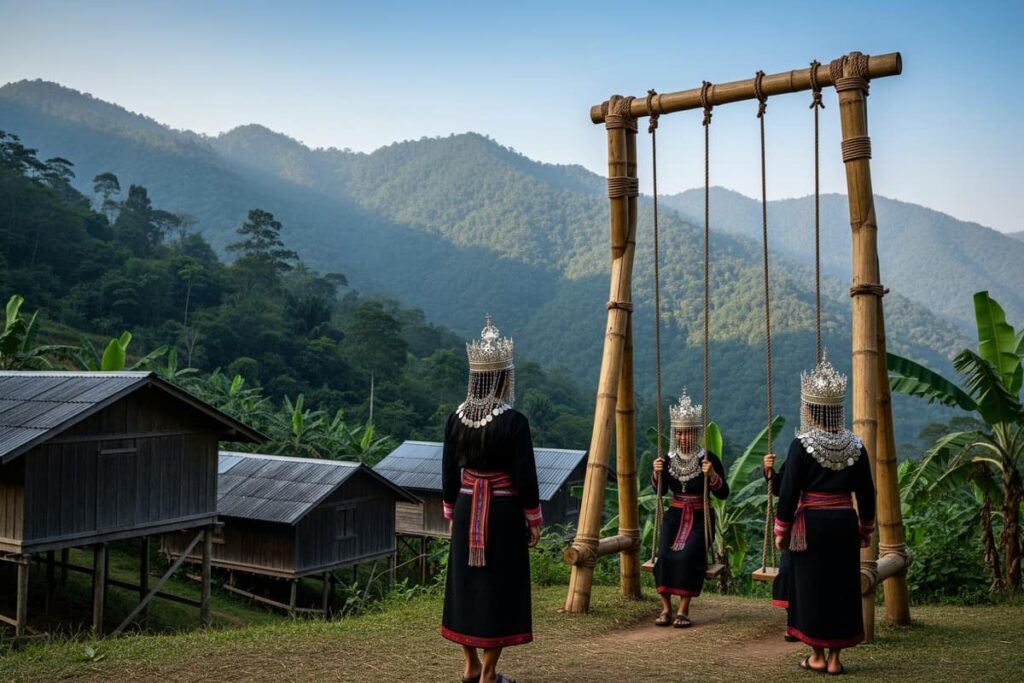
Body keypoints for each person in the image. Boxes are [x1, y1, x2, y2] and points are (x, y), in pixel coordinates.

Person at [441, 316, 542, 683]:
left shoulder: (456, 419)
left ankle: (469, 666)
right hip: (501, 512)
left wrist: (452, 511)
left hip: (468, 509)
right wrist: (533, 519)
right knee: (499, 586)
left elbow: (449, 473)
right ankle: (488, 673)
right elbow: (525, 476)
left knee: (465, 585)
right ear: (502, 378)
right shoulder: (514, 422)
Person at [774, 355, 875, 675]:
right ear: (837, 408)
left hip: (811, 527)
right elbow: (867, 492)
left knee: (811, 588)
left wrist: (781, 528)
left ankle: (816, 656)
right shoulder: (855, 446)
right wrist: (865, 526)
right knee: (841, 588)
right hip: (844, 523)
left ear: (810, 409)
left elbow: (788, 492)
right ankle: (835, 659)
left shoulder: (801, 445)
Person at [651, 390, 729, 628]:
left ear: (697, 433)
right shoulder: (667, 459)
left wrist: (713, 475)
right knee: (663, 556)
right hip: (674, 515)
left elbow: (723, 493)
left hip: (700, 516)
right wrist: (656, 473)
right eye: (680, 432)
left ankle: (683, 609)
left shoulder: (709, 459)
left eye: (689, 432)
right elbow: (660, 491)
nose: (684, 437)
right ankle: (666, 608)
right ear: (675, 434)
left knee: (688, 556)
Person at [762, 452, 797, 642]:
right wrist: (770, 473)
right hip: (796, 524)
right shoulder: (797, 452)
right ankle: (793, 620)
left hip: (824, 522)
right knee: (786, 572)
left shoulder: (837, 452)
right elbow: (780, 490)